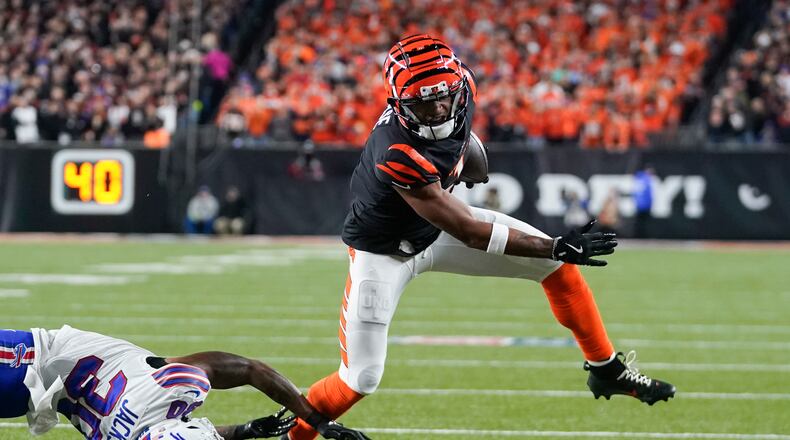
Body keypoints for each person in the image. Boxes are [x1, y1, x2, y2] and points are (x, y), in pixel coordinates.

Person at [284, 35, 675, 440]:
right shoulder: (397, 151)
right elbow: (470, 232)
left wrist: (466, 159)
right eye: (423, 104)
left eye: (443, 97)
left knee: (555, 269)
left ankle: (606, 368)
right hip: (386, 251)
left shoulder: (464, 87)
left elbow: (459, 138)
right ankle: (294, 435)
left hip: (433, 227)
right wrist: (555, 244)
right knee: (360, 378)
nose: (438, 109)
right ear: (397, 105)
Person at [0, 326, 370, 440]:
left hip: (42, 394)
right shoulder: (175, 383)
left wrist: (244, 431)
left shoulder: (166, 408)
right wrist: (315, 419)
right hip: (42, 356)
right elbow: (250, 369)